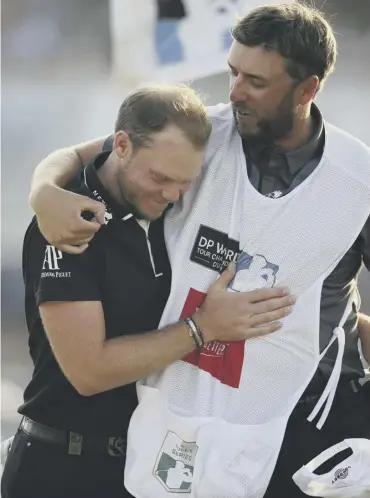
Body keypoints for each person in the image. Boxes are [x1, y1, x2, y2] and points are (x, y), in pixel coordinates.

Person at [25, 3, 370, 497]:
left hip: (316, 431)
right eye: (233, 72)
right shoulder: (201, 135)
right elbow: (82, 157)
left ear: (308, 89)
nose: (235, 92)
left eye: (255, 81)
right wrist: (44, 192)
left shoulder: (359, 179)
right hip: (184, 426)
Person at [1, 84, 295, 498]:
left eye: (184, 182)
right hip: (61, 468)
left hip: (144, 469)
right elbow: (89, 372)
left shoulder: (168, 205)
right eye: (159, 178)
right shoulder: (70, 222)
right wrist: (202, 328)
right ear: (121, 146)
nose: (172, 194)